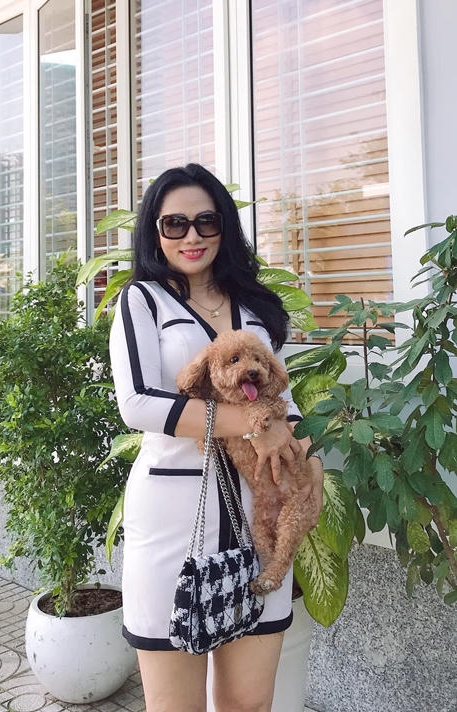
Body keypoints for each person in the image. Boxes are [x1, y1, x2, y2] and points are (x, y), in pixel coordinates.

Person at [109, 163, 323, 712]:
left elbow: (283, 400)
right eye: (174, 223)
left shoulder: (253, 306)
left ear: (224, 226)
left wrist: (309, 463)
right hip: (174, 519)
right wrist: (256, 424)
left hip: (259, 517)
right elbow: (138, 403)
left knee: (249, 705)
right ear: (155, 230)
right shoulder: (142, 300)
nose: (192, 235)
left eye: (206, 221)